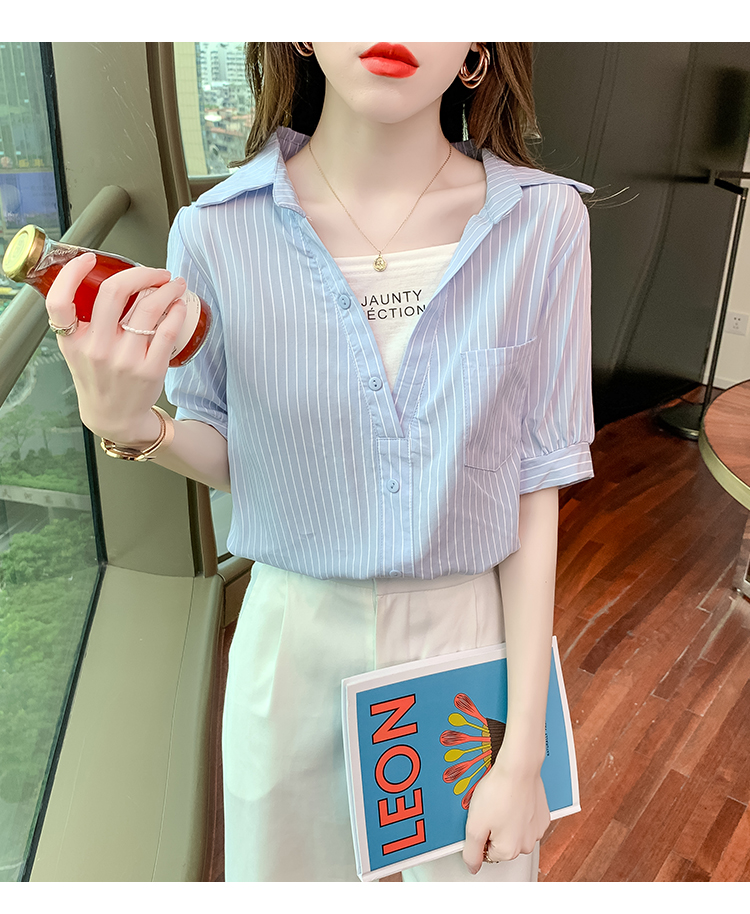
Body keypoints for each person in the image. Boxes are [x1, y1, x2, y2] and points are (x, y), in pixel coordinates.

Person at [44, 42, 594, 882]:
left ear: (479, 43)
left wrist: (523, 750)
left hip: (464, 637)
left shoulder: (543, 222)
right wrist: (132, 425)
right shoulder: (216, 230)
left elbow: (533, 481)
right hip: (292, 643)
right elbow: (241, 454)